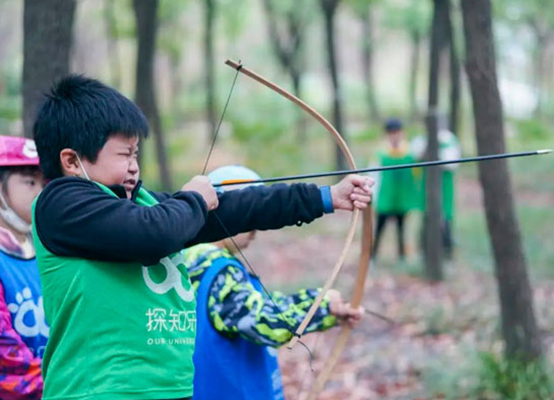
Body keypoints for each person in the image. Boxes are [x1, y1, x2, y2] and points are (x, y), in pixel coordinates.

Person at [31, 75, 374, 400]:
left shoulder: (146, 207)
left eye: (136, 154)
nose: (134, 166)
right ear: (73, 161)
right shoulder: (62, 204)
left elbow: (237, 209)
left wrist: (327, 197)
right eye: (124, 154)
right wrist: (194, 198)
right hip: (99, 391)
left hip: (168, 388)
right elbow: (155, 233)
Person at [185, 165, 364, 400]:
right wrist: (321, 305)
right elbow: (262, 319)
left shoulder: (187, 259)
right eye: (250, 213)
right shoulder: (219, 270)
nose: (256, 225)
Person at [0, 136, 46, 400]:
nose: (40, 192)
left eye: (43, 183)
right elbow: (6, 355)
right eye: (30, 182)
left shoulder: (46, 253)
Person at [372, 118, 420, 261]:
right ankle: (372, 256)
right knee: (379, 228)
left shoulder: (411, 152)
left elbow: (416, 175)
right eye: (391, 133)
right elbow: (373, 175)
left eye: (397, 132)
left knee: (401, 228)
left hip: (402, 198)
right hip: (385, 198)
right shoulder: (381, 153)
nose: (395, 135)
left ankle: (401, 256)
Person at [411, 128, 461, 257]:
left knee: (445, 220)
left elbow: (451, 163)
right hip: (426, 186)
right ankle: (424, 249)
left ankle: (446, 251)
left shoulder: (449, 140)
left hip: (444, 187)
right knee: (426, 218)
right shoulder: (422, 139)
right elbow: (416, 155)